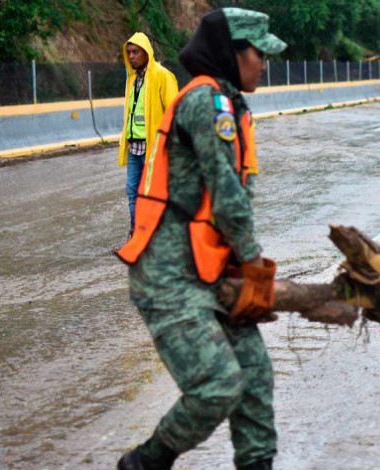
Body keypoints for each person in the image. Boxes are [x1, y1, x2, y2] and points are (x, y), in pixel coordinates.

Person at [115, 8, 287, 470]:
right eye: (258, 55)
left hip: (209, 271)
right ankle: (145, 463)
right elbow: (228, 195)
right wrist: (254, 265)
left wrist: (240, 267)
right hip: (169, 278)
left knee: (254, 380)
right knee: (218, 385)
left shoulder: (230, 103)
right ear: (233, 55)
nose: (263, 65)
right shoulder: (205, 103)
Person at [118, 33, 178, 236]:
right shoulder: (132, 80)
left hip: (155, 146)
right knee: (132, 191)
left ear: (146, 53)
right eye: (129, 52)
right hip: (135, 145)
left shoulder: (162, 75)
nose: (132, 56)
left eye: (136, 52)